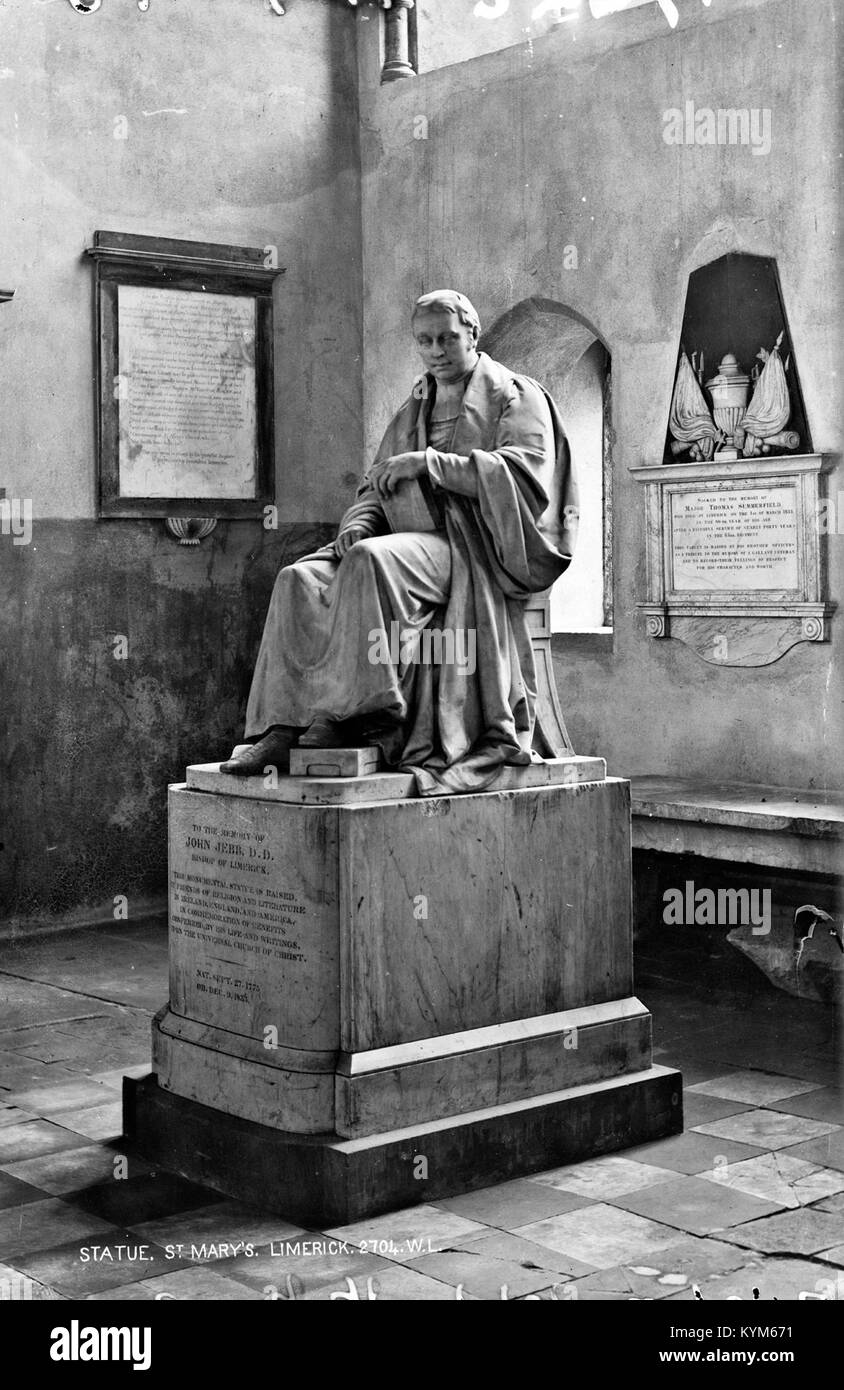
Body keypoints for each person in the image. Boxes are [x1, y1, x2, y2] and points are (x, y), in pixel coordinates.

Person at [221, 289, 577, 796]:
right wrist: (359, 522)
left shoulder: (515, 395)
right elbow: (377, 484)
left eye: (447, 338)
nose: (436, 350)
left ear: (473, 334)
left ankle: (362, 718)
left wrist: (431, 465)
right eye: (425, 340)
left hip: (469, 550)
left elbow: (526, 476)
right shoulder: (417, 403)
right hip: (402, 539)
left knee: (370, 562)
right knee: (299, 577)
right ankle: (285, 725)